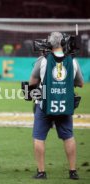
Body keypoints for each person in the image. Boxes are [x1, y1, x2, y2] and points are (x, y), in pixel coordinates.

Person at [29, 32, 84, 180]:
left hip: (45, 104)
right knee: (69, 137)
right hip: (64, 104)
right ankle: (73, 171)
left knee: (39, 138)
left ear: (49, 44)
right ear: (63, 43)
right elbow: (80, 83)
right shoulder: (72, 61)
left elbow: (32, 82)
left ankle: (41, 172)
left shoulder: (43, 60)